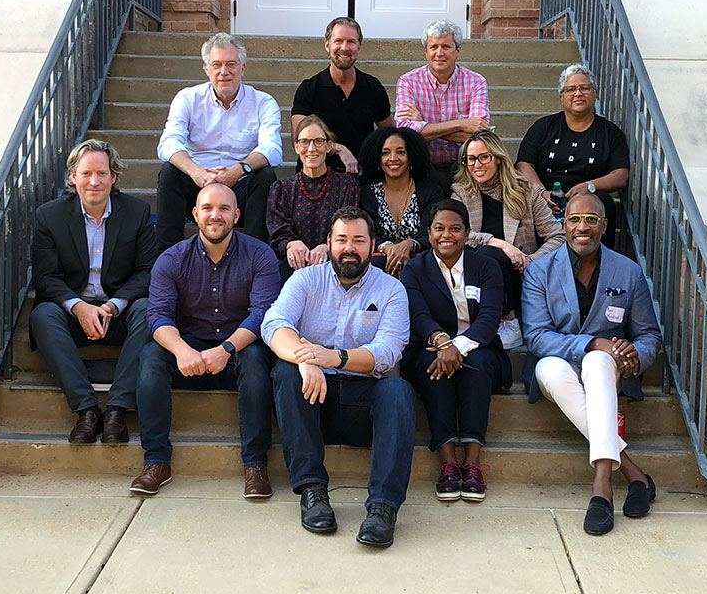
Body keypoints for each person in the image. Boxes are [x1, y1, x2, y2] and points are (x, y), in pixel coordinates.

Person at [261, 206, 413, 548]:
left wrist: (333, 357)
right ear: (328, 243)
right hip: (316, 401)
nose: (349, 247)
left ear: (373, 245)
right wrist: (306, 359)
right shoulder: (304, 280)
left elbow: (388, 351)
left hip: (365, 401)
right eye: (342, 239)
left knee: (398, 390)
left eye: (358, 240)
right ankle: (313, 491)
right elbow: (274, 324)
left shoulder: (391, 290)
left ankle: (383, 508)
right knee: (286, 372)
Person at [520, 193, 661, 535]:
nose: (582, 227)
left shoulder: (628, 271)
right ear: (563, 225)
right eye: (574, 219)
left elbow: (649, 336)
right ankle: (632, 473)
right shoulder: (540, 270)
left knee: (599, 361)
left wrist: (633, 357)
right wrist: (593, 343)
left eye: (591, 220)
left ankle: (602, 487)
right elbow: (536, 335)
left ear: (604, 226)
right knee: (557, 366)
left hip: (608, 371)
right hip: (556, 366)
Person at [129, 184, 281, 499]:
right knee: (151, 358)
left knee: (254, 360)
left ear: (237, 215)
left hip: (237, 346)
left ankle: (255, 465)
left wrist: (227, 349)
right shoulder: (171, 259)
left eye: (224, 209)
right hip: (188, 349)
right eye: (208, 208)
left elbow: (262, 315)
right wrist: (182, 350)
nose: (216, 215)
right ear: (195, 214)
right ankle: (156, 461)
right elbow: (157, 315)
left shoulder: (260, 254)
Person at [30, 139, 157, 444]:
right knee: (43, 314)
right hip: (73, 314)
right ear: (73, 176)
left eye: (102, 173)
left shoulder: (137, 212)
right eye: (86, 173)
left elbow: (148, 271)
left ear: (114, 177)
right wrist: (78, 306)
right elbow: (45, 277)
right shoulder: (50, 216)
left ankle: (116, 410)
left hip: (118, 313)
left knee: (149, 309)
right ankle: (86, 409)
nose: (94, 181)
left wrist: (114, 305)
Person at [400, 199, 511, 502]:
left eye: (455, 229)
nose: (446, 235)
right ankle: (448, 461)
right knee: (430, 365)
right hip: (429, 346)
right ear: (428, 232)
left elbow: (489, 319)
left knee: (478, 363)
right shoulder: (414, 268)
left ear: (467, 233)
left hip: (478, 345)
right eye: (439, 229)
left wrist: (456, 348)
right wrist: (442, 343)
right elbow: (418, 316)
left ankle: (472, 462)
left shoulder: (486, 265)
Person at [155, 32, 282, 251]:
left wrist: (238, 169)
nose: (224, 72)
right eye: (217, 65)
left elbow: (272, 149)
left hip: (240, 187)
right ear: (207, 69)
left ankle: (254, 255)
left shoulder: (263, 102)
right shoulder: (188, 98)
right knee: (169, 172)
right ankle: (168, 257)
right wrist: (196, 172)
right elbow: (168, 143)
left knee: (265, 175)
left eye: (231, 64)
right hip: (197, 186)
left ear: (242, 68)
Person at [451, 130, 564, 346]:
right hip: (474, 275)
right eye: (471, 159)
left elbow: (557, 236)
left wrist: (532, 260)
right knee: (487, 253)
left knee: (491, 256)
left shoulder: (526, 192)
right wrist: (499, 243)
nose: (477, 164)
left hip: (517, 274)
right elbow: (457, 233)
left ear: (498, 158)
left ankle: (509, 322)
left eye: (484, 157)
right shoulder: (461, 192)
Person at [515, 64, 629, 247]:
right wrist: (542, 193)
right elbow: (523, 165)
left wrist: (589, 186)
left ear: (594, 93)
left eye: (585, 88)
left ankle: (600, 264)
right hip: (547, 195)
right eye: (571, 89)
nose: (578, 93)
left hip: (590, 196)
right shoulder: (544, 127)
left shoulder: (610, 133)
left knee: (604, 202)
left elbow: (620, 175)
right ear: (562, 96)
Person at [394, 19, 490, 188]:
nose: (439, 53)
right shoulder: (408, 82)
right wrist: (461, 124)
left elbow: (479, 134)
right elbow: (405, 133)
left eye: (446, 47)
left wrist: (424, 126)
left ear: (458, 50)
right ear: (426, 52)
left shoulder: (476, 82)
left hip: (465, 167)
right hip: (421, 166)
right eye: (433, 47)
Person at [291, 17, 392, 174]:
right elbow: (298, 140)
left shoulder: (373, 87)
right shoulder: (309, 89)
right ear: (327, 45)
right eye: (338, 41)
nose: (344, 48)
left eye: (351, 42)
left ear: (359, 47)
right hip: (318, 173)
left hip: (362, 175)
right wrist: (338, 149)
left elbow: (388, 134)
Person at [266, 115, 360, 280]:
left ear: (328, 145)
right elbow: (277, 232)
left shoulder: (347, 186)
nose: (311, 149)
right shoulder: (282, 188)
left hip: (336, 263)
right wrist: (291, 243)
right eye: (304, 142)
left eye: (318, 141)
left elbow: (350, 225)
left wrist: (328, 246)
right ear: (296, 147)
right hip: (295, 265)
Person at [357, 126, 443, 278]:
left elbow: (431, 233)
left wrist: (409, 245)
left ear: (410, 157)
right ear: (378, 159)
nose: (393, 158)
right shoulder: (367, 193)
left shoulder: (431, 192)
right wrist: (388, 247)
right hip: (379, 264)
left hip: (420, 263)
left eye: (401, 152)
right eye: (385, 153)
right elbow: (367, 232)